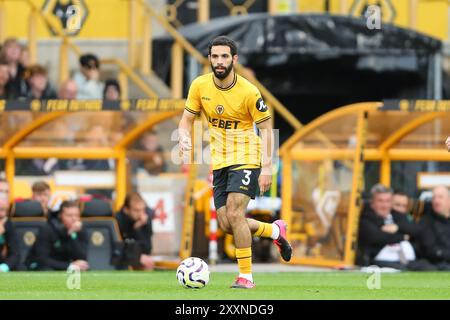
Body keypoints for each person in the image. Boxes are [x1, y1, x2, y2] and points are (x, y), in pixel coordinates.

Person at [177, 36, 292, 289]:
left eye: (224, 56)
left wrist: (267, 167)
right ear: (209, 59)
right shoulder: (199, 86)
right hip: (219, 162)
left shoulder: (249, 91)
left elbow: (267, 129)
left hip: (247, 157)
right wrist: (184, 136)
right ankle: (274, 232)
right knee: (228, 224)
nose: (219, 61)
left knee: (235, 213)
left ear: (234, 60)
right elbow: (186, 119)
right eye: (215, 56)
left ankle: (246, 277)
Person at [357, 184, 434, 271]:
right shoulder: (366, 219)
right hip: (382, 261)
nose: (384, 205)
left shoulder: (396, 215)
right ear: (372, 203)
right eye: (380, 201)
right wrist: (403, 236)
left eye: (388, 201)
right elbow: (377, 237)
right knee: (402, 271)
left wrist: (397, 228)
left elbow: (415, 229)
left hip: (408, 260)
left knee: (429, 269)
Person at [25, 200, 89, 271]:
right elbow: (42, 259)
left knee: (84, 269)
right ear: (60, 216)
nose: (74, 219)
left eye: (77, 215)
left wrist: (72, 235)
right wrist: (69, 266)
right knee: (47, 270)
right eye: (69, 215)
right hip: (40, 266)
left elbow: (82, 258)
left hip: (64, 265)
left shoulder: (80, 229)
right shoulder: (47, 229)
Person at [115, 193, 154, 270]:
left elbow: (147, 248)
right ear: (126, 210)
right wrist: (137, 257)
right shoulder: (118, 220)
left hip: (139, 258)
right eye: (136, 210)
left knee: (148, 263)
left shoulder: (145, 218)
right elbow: (116, 249)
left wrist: (137, 229)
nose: (141, 214)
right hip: (120, 261)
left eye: (143, 209)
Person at [418, 186, 450, 270]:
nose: (436, 200)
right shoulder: (425, 221)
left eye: (440, 197)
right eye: (434, 197)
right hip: (436, 265)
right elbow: (430, 251)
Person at [0, 198, 19, 272]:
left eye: (3, 210)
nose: (1, 214)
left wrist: (3, 267)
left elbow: (15, 253)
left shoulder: (9, 225)